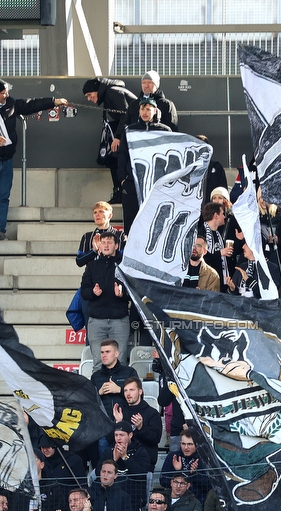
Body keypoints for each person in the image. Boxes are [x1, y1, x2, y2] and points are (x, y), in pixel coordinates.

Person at [0, 74, 68, 241]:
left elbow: (30, 104)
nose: (6, 95)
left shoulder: (10, 104)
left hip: (6, 160)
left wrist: (53, 101)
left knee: (3, 197)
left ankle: (0, 231)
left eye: (7, 92)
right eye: (3, 93)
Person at [117, 96, 173, 234]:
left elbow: (170, 157)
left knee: (155, 220)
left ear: (155, 111)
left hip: (156, 183)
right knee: (131, 221)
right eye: (142, 108)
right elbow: (123, 154)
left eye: (148, 109)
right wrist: (123, 178)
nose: (145, 112)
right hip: (132, 182)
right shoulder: (130, 130)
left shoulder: (165, 131)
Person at [83, 77, 138, 204]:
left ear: (97, 90)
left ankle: (121, 192)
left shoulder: (113, 92)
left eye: (89, 95)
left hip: (130, 133)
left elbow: (125, 114)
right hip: (130, 131)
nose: (89, 99)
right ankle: (120, 192)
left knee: (115, 158)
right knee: (113, 159)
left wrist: (118, 137)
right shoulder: (112, 92)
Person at [80, 234, 131, 368]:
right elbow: (84, 292)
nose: (106, 245)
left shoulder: (125, 265)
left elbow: (135, 291)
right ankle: (100, 390)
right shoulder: (92, 266)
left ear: (116, 246)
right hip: (96, 321)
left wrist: (123, 294)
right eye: (103, 243)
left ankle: (119, 389)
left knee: (120, 363)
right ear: (99, 246)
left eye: (109, 242)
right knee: (98, 363)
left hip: (119, 320)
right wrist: (93, 292)